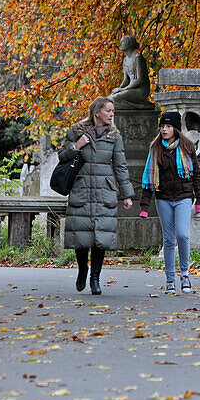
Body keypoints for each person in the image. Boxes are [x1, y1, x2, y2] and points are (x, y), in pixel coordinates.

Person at [60, 97, 134, 295]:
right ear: (97, 112)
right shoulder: (76, 131)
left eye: (113, 111)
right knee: (81, 235)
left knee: (100, 237)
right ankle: (82, 270)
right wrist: (77, 145)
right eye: (108, 110)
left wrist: (126, 194)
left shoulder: (114, 136)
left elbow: (120, 165)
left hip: (104, 190)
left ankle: (95, 278)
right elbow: (62, 156)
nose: (111, 114)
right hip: (82, 189)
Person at [139, 110, 200, 294]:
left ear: (175, 128)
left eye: (168, 126)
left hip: (184, 197)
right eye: (162, 126)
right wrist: (144, 206)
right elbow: (148, 177)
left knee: (182, 235)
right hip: (163, 198)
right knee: (168, 240)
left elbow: (197, 175)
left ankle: (184, 274)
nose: (164, 130)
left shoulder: (187, 146)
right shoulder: (156, 148)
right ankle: (169, 280)